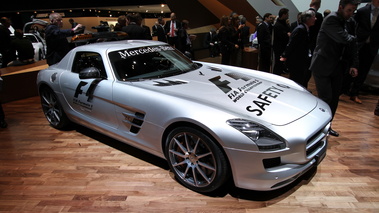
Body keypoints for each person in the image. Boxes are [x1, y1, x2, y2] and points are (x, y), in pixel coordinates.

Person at [309, 0, 360, 137]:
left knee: (334, 99)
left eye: (353, 11)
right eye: (349, 10)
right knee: (325, 98)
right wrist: (353, 38)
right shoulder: (331, 19)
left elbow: (353, 44)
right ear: (341, 7)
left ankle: (327, 127)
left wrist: (354, 64)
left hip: (338, 66)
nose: (351, 14)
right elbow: (345, 39)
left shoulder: (350, 22)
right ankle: (316, 129)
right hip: (323, 65)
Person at [349, 0, 379, 104]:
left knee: (364, 70)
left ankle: (354, 93)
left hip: (372, 46)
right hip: (359, 44)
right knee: (352, 66)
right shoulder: (363, 11)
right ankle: (344, 89)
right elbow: (353, 24)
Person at [281, 10, 316, 88]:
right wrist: (285, 55)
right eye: (313, 17)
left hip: (300, 61)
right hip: (297, 62)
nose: (315, 19)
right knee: (296, 82)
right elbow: (291, 44)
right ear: (308, 18)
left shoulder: (304, 28)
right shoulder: (300, 29)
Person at [273, 8, 290, 75]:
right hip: (279, 48)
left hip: (283, 47)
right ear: (283, 14)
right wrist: (286, 34)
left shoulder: (284, 23)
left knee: (281, 64)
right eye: (287, 14)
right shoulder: (278, 25)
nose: (288, 15)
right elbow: (281, 36)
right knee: (278, 63)